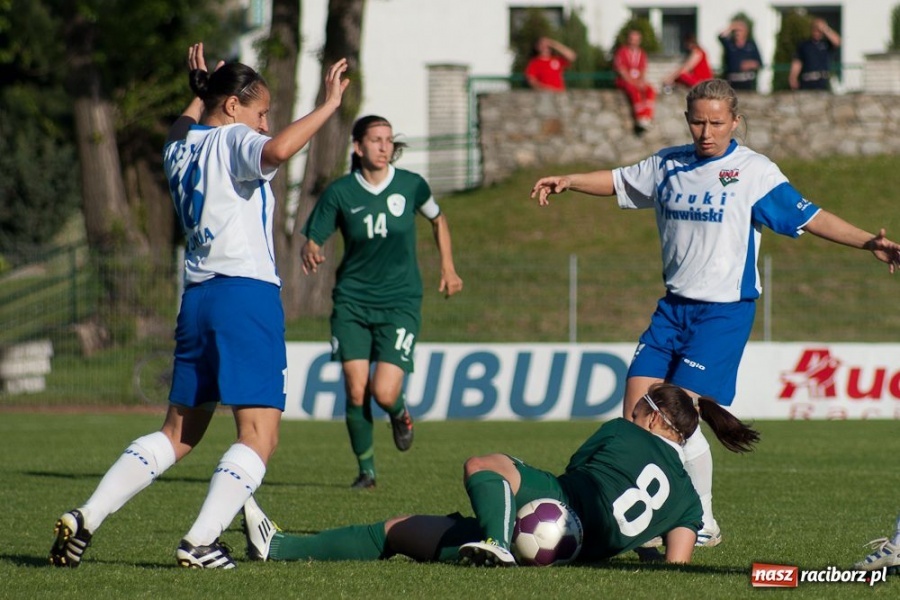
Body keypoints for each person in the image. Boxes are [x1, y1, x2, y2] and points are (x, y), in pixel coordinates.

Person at [530, 78, 900, 549]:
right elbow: (619, 180)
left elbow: (812, 217)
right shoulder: (668, 164)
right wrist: (570, 181)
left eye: (717, 122)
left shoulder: (753, 172)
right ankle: (644, 522)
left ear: (736, 122)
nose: (707, 131)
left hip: (723, 313)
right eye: (698, 121)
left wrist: (871, 241)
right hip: (673, 309)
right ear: (688, 120)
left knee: (670, 419)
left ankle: (701, 518)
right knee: (635, 418)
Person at [48, 43, 350, 570]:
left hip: (197, 299)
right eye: (261, 112)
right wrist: (327, 106)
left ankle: (87, 516)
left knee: (177, 434)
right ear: (233, 106)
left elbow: (178, 131)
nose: (264, 124)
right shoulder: (235, 139)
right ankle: (200, 540)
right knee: (260, 434)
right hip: (244, 296)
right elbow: (276, 153)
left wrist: (197, 97)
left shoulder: (181, 148)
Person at [240, 383, 759, 566]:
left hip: (558, 507)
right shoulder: (688, 497)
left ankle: (496, 539)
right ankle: (277, 546)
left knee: (484, 465)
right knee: (406, 528)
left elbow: (577, 471)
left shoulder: (620, 431)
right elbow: (676, 566)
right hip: (578, 553)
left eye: (636, 407)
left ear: (649, 414)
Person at [300, 115, 463, 490]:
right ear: (358, 147)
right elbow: (315, 235)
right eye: (375, 140)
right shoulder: (341, 192)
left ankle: (399, 412)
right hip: (352, 303)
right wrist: (311, 247)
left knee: (384, 392)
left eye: (388, 139)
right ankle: (367, 471)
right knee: (356, 389)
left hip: (400, 302)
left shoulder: (411, 186)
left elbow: (438, 220)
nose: (384, 146)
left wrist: (448, 268)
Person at [613, 28, 656, 132]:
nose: (634, 42)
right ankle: (639, 117)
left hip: (637, 79)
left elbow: (643, 69)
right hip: (625, 80)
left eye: (636, 40)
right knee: (634, 91)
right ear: (628, 40)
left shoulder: (642, 53)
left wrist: (640, 80)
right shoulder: (622, 52)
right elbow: (621, 70)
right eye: (632, 39)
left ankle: (647, 116)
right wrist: (633, 81)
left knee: (650, 90)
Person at [789, 18, 841, 91]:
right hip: (808, 81)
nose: (817, 32)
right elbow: (797, 62)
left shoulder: (826, 44)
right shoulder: (805, 45)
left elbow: (837, 42)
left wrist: (825, 28)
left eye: (819, 31)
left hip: (823, 81)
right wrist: (793, 77)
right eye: (815, 29)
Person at [718, 19, 763, 91]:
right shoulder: (730, 44)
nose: (737, 33)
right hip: (732, 81)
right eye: (735, 31)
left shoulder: (751, 45)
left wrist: (750, 64)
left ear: (746, 32)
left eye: (740, 30)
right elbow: (720, 36)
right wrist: (731, 27)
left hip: (747, 81)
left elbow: (759, 62)